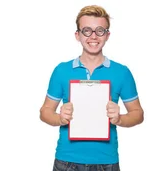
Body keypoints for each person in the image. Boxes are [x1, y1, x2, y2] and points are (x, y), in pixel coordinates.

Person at [39, 5, 144, 171]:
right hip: (67, 161)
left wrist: (120, 119)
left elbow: (138, 114)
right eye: (87, 30)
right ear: (77, 35)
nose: (93, 36)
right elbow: (45, 112)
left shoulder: (122, 72)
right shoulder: (61, 71)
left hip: (106, 162)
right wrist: (59, 117)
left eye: (100, 30)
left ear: (107, 35)